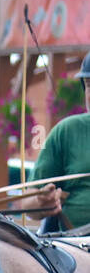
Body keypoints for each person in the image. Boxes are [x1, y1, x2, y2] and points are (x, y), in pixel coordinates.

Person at [28, 52, 90, 229]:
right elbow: (28, 204)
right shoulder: (66, 131)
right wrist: (42, 202)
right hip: (74, 248)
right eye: (89, 85)